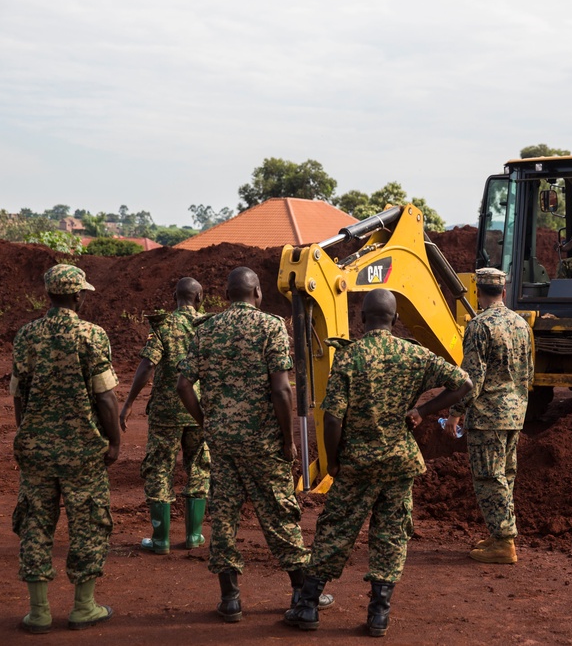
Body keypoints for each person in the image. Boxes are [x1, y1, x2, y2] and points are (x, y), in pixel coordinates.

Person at [284, 289, 472, 637]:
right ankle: (379, 616)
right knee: (390, 535)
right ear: (395, 319)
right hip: (399, 463)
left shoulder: (350, 357)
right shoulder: (415, 354)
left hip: (357, 463)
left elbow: (332, 418)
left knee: (336, 529)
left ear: (361, 318)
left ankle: (308, 606)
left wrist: (334, 462)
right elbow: (464, 383)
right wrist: (422, 411)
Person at [176, 267, 333, 623]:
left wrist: (207, 422)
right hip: (263, 442)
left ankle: (230, 599)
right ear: (258, 292)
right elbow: (281, 389)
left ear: (227, 294)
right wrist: (287, 439)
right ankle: (301, 592)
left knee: (225, 516)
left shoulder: (206, 330)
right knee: (279, 513)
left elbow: (183, 386)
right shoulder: (271, 327)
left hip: (222, 443)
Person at [10, 264, 120, 633]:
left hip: (36, 451)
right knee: (88, 523)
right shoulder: (91, 335)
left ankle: (38, 613)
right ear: (76, 295)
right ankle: (83, 606)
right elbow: (105, 397)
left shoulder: (27, 335)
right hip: (83, 451)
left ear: (48, 294)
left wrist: (26, 434)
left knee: (35, 524)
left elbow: (18, 395)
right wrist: (115, 440)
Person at [443, 267, 534, 565]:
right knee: (505, 476)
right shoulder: (522, 324)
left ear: (477, 292)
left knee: (488, 477)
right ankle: (499, 535)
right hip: (515, 414)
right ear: (504, 292)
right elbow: (530, 373)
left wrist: (455, 413)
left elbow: (472, 378)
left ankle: (504, 543)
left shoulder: (479, 326)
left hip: (487, 417)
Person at [120, 277, 211, 555]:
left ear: (175, 296)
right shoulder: (209, 327)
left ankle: (160, 541)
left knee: (160, 469)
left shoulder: (163, 326)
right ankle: (194, 536)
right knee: (198, 468)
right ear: (200, 298)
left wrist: (129, 402)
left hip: (166, 413)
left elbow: (147, 365)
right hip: (200, 411)